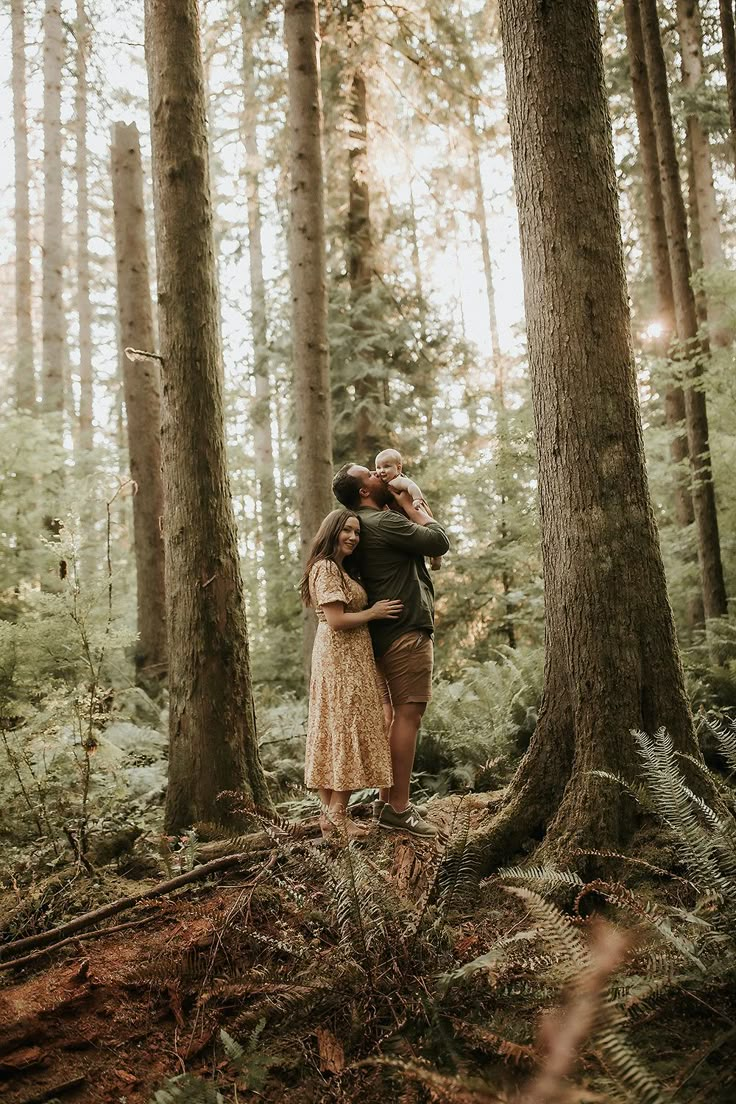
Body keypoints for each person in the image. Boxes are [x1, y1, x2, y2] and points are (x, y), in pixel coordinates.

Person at [332, 464, 450, 839]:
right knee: (408, 715)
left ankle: (387, 804)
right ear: (364, 491)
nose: (378, 475)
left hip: (380, 637)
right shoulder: (384, 523)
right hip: (405, 632)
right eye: (370, 474)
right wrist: (413, 506)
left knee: (394, 716)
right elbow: (438, 541)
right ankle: (399, 808)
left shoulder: (365, 527)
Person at [299, 508, 402, 839]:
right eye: (347, 530)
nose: (354, 537)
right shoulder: (327, 568)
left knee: (334, 729)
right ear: (331, 532)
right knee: (345, 728)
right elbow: (337, 620)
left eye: (357, 532)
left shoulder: (336, 569)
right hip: (339, 658)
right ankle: (336, 816)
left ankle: (330, 820)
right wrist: (373, 612)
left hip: (347, 657)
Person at [375, 447, 443, 571]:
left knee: (426, 532)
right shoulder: (386, 480)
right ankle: (434, 554)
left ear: (398, 468)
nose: (381, 471)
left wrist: (417, 499)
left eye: (386, 466)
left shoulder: (397, 481)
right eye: (378, 467)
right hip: (406, 513)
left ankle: (437, 556)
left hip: (415, 508)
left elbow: (411, 485)